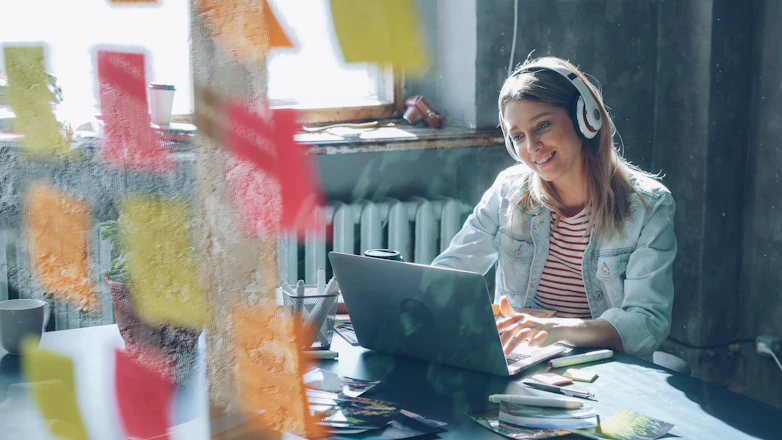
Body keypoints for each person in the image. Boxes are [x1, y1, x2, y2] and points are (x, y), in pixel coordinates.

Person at [431, 56, 677, 360]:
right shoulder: (507, 191)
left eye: (543, 125)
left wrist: (557, 329)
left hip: (603, 365)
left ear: (585, 119)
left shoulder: (649, 205)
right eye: (518, 136)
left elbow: (646, 322)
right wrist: (403, 301)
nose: (531, 146)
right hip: (523, 360)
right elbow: (451, 272)